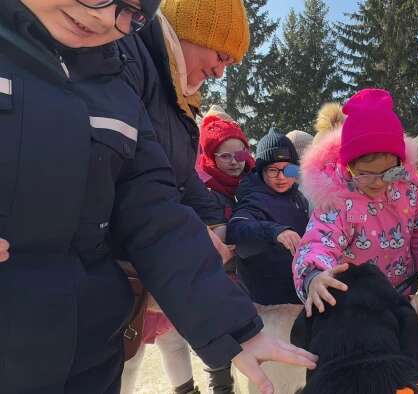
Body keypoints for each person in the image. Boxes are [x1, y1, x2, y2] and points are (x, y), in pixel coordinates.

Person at [0, 1, 316, 393]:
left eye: (129, 9)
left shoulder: (116, 82)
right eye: (220, 55)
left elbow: (154, 210)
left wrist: (236, 327)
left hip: (88, 349)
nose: (103, 16)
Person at [117, 0, 252, 392]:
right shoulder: (133, 63)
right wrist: (194, 230)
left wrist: (218, 223)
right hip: (109, 268)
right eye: (222, 54)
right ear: (194, 30)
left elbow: (180, 178)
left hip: (137, 269)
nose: (222, 69)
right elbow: (135, 180)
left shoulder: (176, 94)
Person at [292, 88, 418, 317]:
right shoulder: (337, 198)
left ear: (401, 160)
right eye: (366, 174)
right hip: (355, 307)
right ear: (348, 166)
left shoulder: (409, 185)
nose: (378, 182)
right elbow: (319, 241)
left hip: (402, 297)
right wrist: (314, 276)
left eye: (389, 172)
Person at [227, 129, 310, 305]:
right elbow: (237, 227)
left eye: (288, 170)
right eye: (273, 170)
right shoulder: (254, 198)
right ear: (261, 170)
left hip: (299, 291)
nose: (281, 177)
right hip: (269, 303)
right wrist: (276, 231)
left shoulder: (298, 197)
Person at [197, 106, 255, 220]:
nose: (234, 162)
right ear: (212, 158)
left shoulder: (257, 181)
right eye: (225, 156)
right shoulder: (202, 189)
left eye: (240, 155)